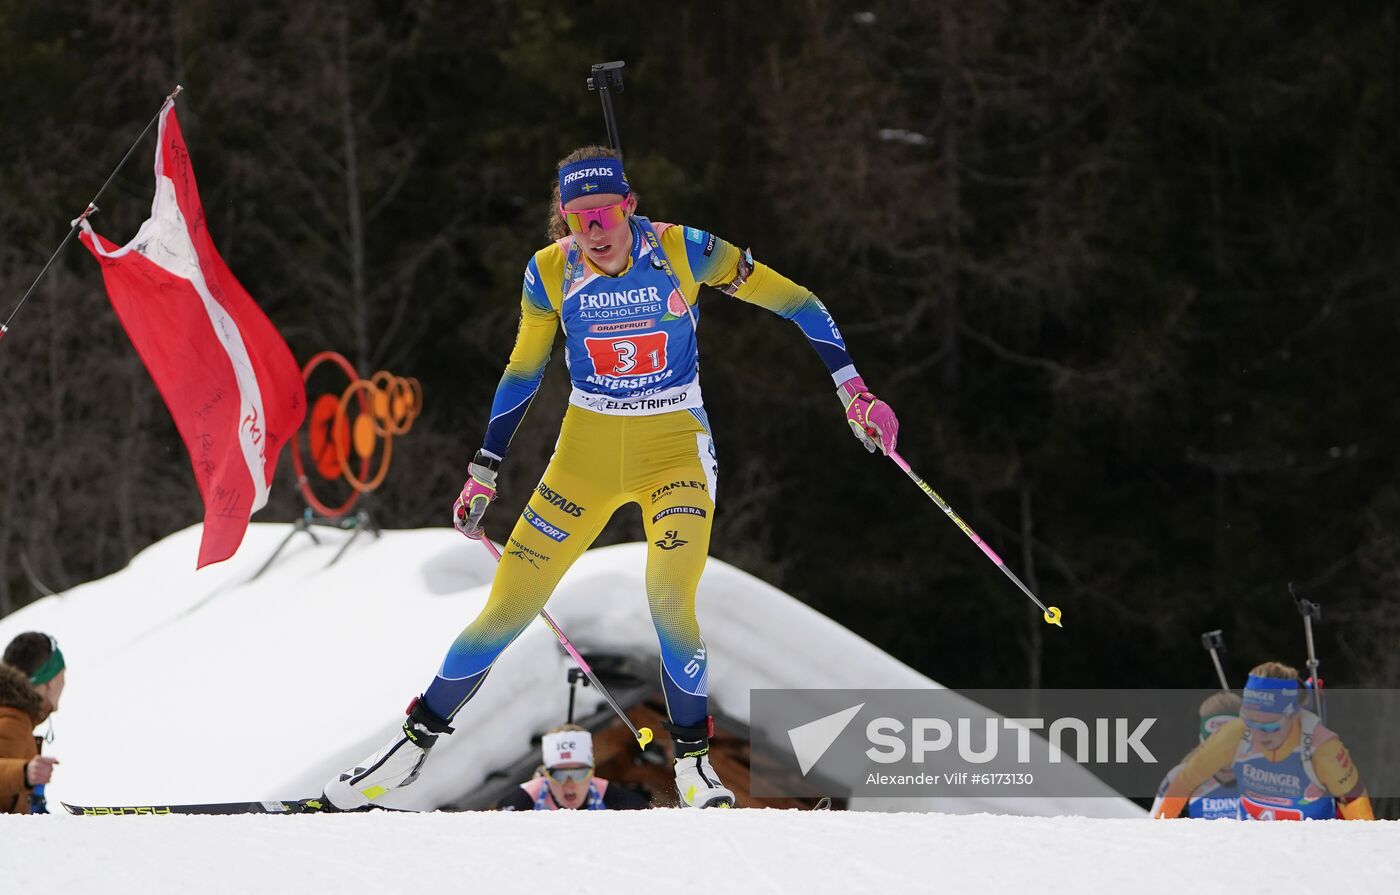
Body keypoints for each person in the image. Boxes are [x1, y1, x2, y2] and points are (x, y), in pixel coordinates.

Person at [323, 147, 898, 811]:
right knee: (506, 605)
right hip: (586, 453)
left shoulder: (687, 251)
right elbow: (522, 371)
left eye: (603, 213)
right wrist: (485, 467)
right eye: (577, 218)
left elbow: (800, 301)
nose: (593, 230)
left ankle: (692, 765)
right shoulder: (550, 271)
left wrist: (852, 389)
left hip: (674, 449)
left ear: (629, 205)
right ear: (563, 220)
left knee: (668, 599)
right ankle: (408, 749)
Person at [1154, 662, 1373, 820]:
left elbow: (1356, 805)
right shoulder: (1235, 735)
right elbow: (1184, 782)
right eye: (1251, 723)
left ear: (1293, 715)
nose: (1259, 734)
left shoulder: (1321, 747)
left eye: (1270, 726)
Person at [497, 725, 650, 811]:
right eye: (558, 775)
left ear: (592, 772)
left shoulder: (618, 800)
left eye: (579, 773)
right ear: (545, 775)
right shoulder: (524, 800)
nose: (569, 784)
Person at [1148, 691, 1242, 820]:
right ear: (1202, 745)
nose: (1225, 762)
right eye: (1213, 750)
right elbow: (1157, 829)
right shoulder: (1180, 779)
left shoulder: (1265, 778)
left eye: (1233, 749)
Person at [1, 632, 66, 814]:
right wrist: (24, 773)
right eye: (62, 675)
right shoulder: (12, 721)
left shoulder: (13, 714)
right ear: (49, 683)